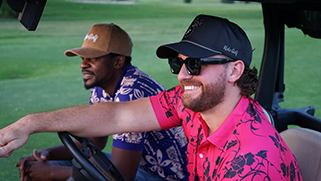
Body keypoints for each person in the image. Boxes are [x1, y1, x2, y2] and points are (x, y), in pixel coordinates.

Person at [0, 14, 302, 180]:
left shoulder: (252, 165)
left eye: (194, 64)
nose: (182, 75)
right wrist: (30, 123)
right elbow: (117, 115)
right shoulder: (193, 104)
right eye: (177, 63)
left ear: (235, 70)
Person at [14, 23, 188, 181]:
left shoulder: (132, 91)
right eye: (82, 58)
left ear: (118, 61)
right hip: (142, 167)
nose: (83, 64)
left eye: (93, 58)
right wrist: (48, 155)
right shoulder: (102, 87)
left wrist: (51, 173)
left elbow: (122, 176)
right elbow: (94, 141)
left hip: (167, 176)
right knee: (64, 165)